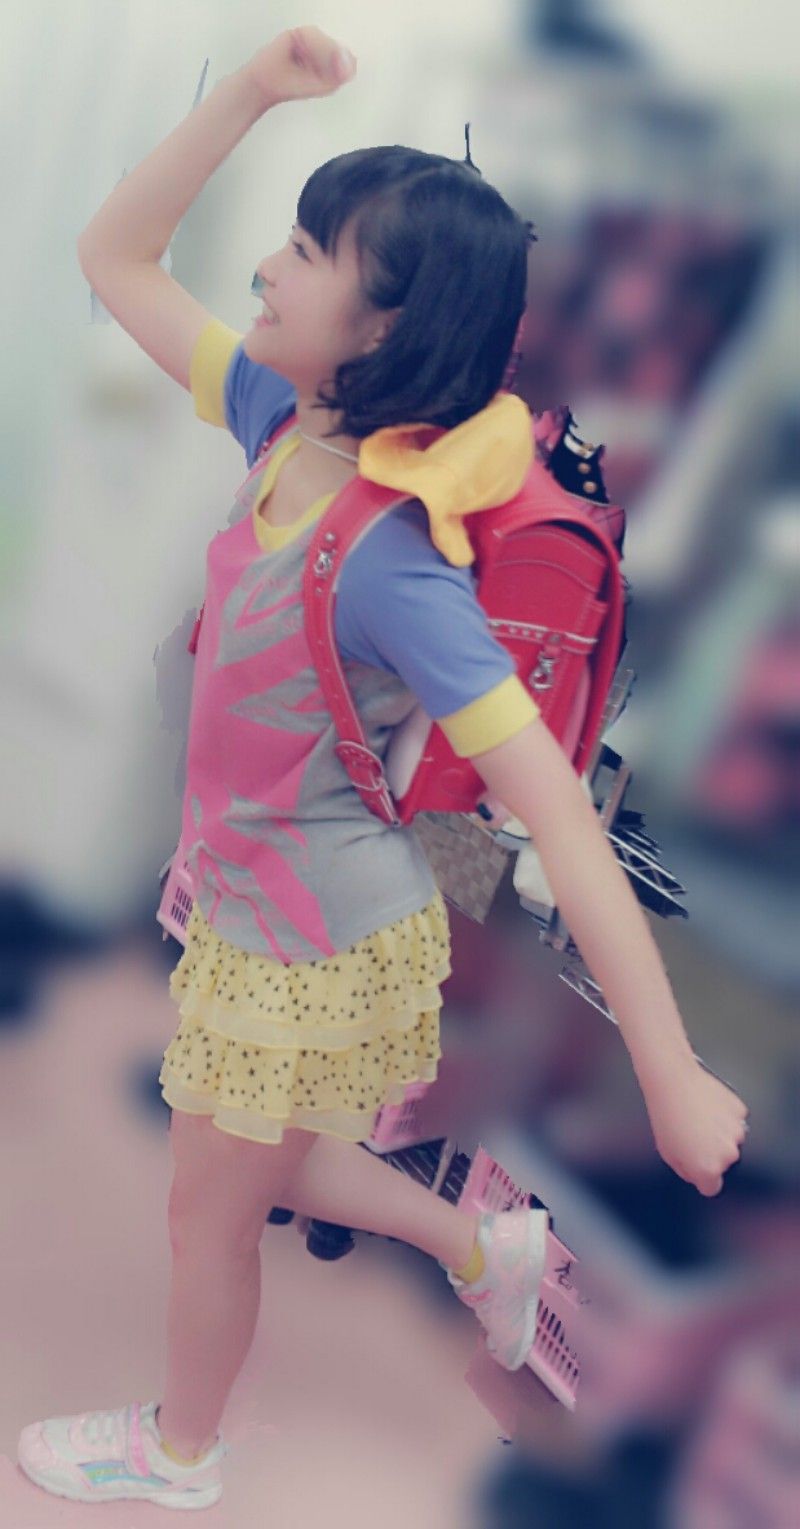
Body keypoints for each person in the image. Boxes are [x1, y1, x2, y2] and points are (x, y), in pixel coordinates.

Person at [18, 26, 749, 1511]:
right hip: (275, 897)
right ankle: (488, 1247)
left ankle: (181, 1453)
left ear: (381, 329)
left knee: (208, 1209)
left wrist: (671, 1072)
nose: (267, 267)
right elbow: (115, 255)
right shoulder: (274, 417)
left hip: (304, 938)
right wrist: (248, 91)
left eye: (306, 251)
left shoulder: (394, 567)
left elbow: (558, 814)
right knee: (262, 1163)